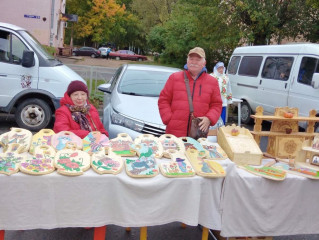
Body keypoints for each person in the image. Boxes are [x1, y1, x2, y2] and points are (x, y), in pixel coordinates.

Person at [158, 47, 222, 137]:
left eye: (198, 59)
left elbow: (216, 104)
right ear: (187, 61)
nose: (194, 62)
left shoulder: (212, 82)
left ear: (204, 63)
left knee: (195, 151)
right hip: (174, 132)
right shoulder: (174, 78)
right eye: (191, 59)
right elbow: (163, 99)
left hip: (197, 134)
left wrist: (209, 118)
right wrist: (168, 118)